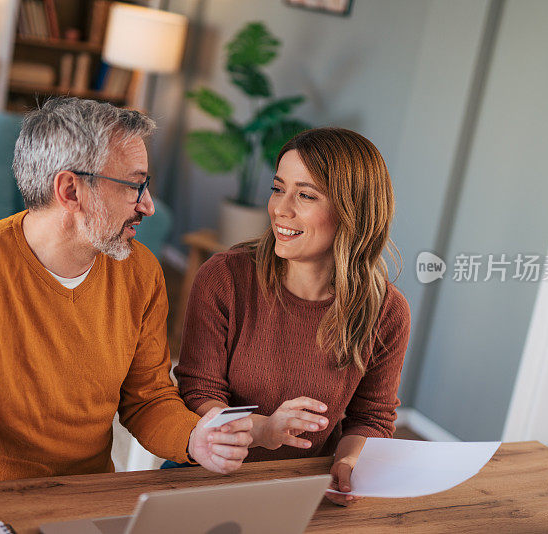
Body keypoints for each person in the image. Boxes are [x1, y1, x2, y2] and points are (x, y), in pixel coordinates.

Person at [0, 98, 252, 531]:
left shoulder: (141, 271)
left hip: (84, 505)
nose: (147, 206)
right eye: (135, 186)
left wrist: (194, 438)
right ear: (70, 190)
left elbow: (147, 399)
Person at [174, 127, 411, 506]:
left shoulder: (386, 310)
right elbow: (198, 393)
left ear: (353, 211)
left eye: (305, 195)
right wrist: (263, 430)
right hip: (207, 475)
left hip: (302, 486)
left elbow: (372, 416)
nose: (280, 209)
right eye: (277, 188)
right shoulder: (226, 277)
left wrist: (347, 463)